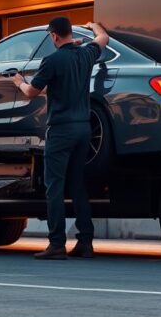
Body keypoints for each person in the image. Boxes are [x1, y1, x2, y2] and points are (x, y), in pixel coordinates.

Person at [14, 17, 110, 260]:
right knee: (78, 185)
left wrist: (19, 82)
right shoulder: (86, 55)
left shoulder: (52, 60)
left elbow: (31, 93)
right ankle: (85, 243)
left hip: (60, 131)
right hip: (84, 131)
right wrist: (93, 25)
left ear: (54, 36)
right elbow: (103, 38)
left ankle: (57, 244)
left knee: (54, 187)